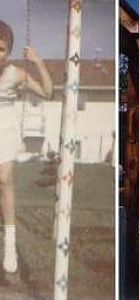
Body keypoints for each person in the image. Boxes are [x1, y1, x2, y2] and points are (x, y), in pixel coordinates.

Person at [0, 20, 53, 273]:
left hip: (5, 123)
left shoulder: (16, 74)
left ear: (8, 51)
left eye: (0, 49)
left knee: (4, 177)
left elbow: (47, 92)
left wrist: (38, 62)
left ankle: (10, 242)